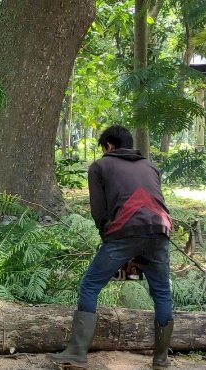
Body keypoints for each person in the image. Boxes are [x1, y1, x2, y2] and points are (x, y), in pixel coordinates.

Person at [47, 125, 173, 369]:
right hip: (160, 229)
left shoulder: (100, 166)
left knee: (90, 285)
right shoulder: (151, 166)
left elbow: (99, 211)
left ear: (108, 146)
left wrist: (108, 239)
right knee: (161, 293)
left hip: (124, 230)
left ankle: (77, 352)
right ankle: (161, 359)